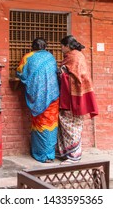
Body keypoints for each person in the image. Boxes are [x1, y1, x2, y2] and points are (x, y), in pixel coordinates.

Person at [56, 35, 98, 163]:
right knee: (73, 123)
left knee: (71, 124)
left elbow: (73, 76)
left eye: (62, 46)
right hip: (76, 94)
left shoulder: (73, 57)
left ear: (67, 46)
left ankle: (74, 155)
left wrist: (60, 72)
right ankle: (68, 152)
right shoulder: (78, 55)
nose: (61, 49)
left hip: (72, 96)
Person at [16, 38, 59, 163]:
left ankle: (41, 154)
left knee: (39, 124)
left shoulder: (28, 57)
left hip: (38, 97)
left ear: (32, 46)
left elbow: (20, 73)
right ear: (45, 46)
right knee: (51, 124)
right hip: (53, 97)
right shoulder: (51, 57)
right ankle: (49, 154)